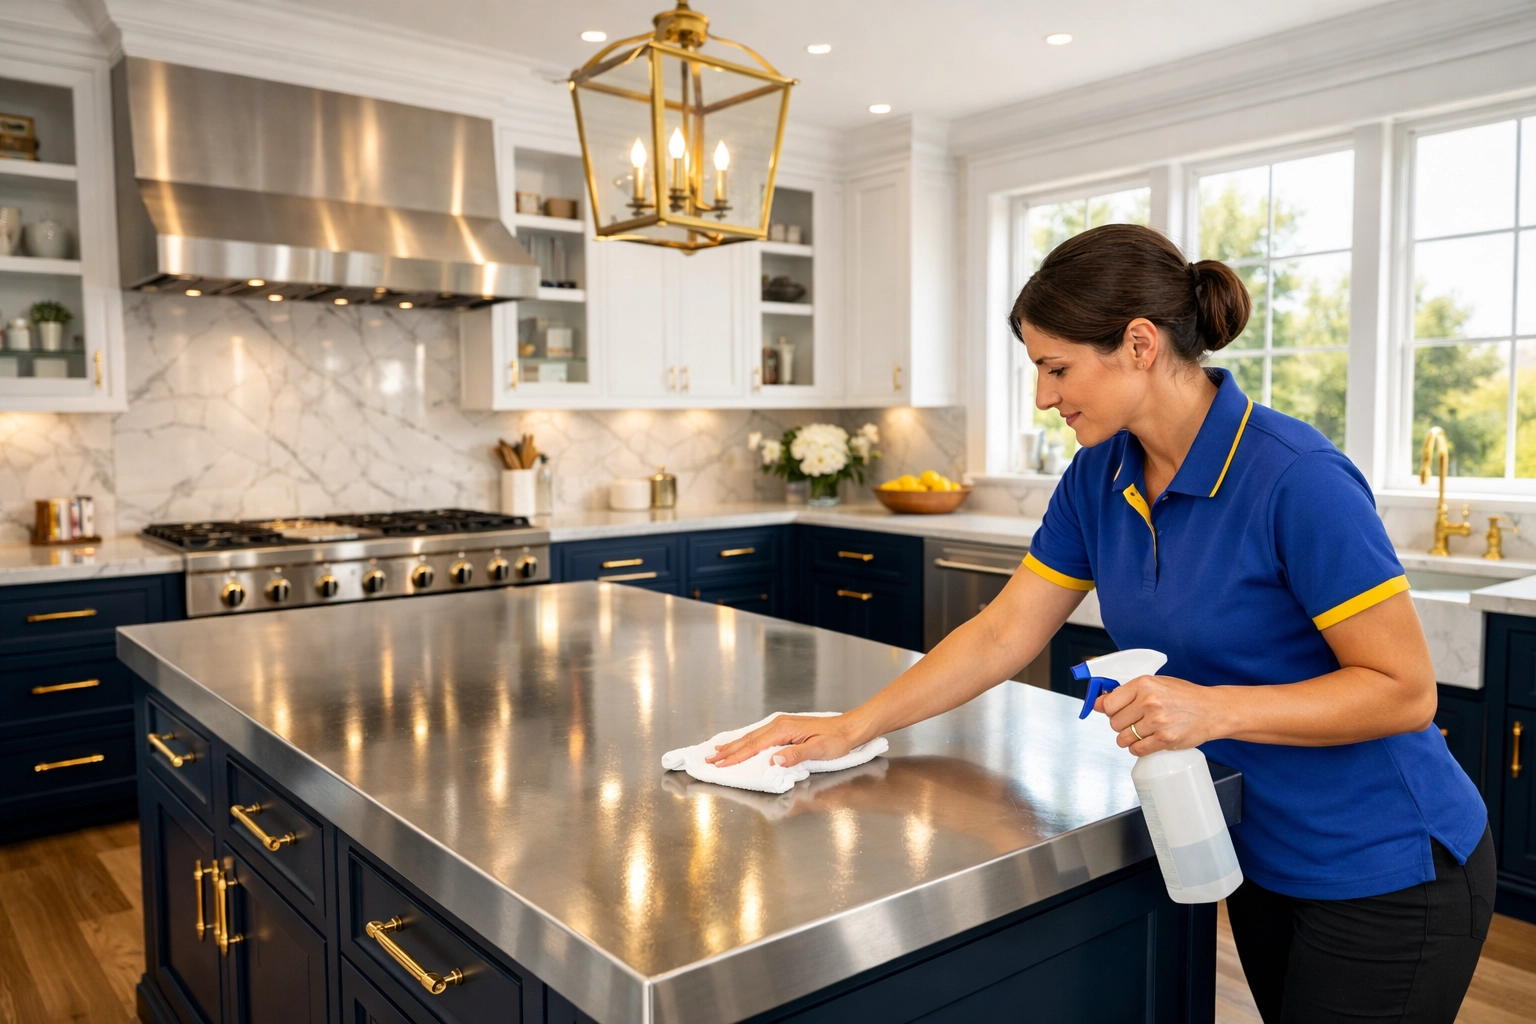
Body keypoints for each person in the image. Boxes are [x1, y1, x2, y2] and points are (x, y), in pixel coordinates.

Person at [708, 223, 1494, 1023]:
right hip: (1261, 852)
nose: (1044, 397)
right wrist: (852, 727)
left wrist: (1211, 708)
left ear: (1141, 344)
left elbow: (1404, 692)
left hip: (1389, 864)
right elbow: (1002, 632)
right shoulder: (1100, 474)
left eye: (1057, 368)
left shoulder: (1296, 479)